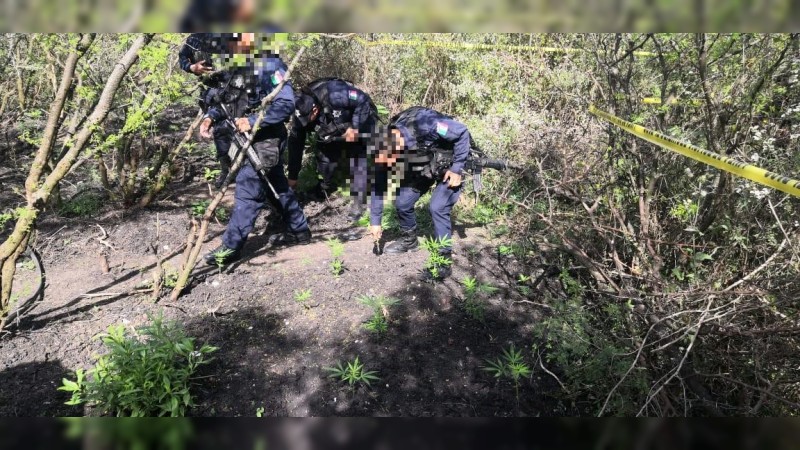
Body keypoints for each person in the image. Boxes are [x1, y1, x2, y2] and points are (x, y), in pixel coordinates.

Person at [200, 33, 312, 266]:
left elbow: (286, 104)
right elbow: (226, 102)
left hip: (265, 140)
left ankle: (230, 248)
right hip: (245, 140)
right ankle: (300, 230)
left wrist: (252, 122)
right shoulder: (237, 66)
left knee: (248, 190)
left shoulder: (270, 64)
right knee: (276, 186)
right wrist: (210, 118)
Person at [368, 106, 472, 281]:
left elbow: (462, 132)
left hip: (452, 164)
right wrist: (375, 221)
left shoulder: (427, 125)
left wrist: (457, 169)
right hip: (427, 167)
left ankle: (443, 261)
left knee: (437, 207)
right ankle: (410, 240)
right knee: (403, 202)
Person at [287, 78, 378, 222]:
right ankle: (325, 187)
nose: (305, 123)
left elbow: (363, 100)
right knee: (325, 159)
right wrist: (293, 176)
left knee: (356, 157)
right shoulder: (299, 108)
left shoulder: (336, 94)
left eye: (308, 119)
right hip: (333, 127)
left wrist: (354, 127)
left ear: (315, 109)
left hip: (360, 117)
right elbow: (295, 145)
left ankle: (360, 202)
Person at [178, 33, 236, 189]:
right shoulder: (194, 39)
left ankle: (247, 169)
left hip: (237, 89)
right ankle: (227, 170)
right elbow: (182, 59)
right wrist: (192, 67)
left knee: (241, 127)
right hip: (212, 92)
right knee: (219, 130)